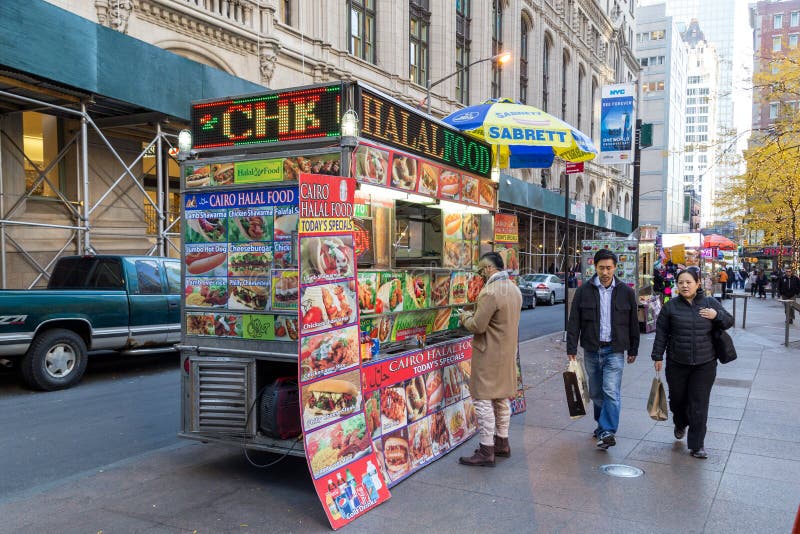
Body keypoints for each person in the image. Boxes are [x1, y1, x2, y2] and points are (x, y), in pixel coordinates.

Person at [651, 268, 733, 459]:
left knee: (699, 403)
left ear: (697, 283)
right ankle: (680, 423)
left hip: (705, 363)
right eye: (681, 283)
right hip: (677, 362)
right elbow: (661, 333)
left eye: (689, 282)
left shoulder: (710, 303)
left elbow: (729, 321)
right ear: (677, 285)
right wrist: (657, 356)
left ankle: (697, 445)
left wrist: (716, 316)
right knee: (677, 401)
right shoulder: (670, 306)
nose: (685, 285)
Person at [566, 249, 640, 450]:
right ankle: (602, 426)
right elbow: (574, 321)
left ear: (615, 268)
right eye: (601, 268)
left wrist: (634, 348)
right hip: (591, 349)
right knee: (597, 392)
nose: (605, 272)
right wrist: (571, 347)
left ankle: (608, 431)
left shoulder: (626, 292)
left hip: (615, 350)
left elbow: (633, 322)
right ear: (595, 267)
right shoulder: (584, 291)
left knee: (611, 391)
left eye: (609, 268)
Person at [458, 252, 522, 466]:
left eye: (480, 271)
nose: (479, 275)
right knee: (502, 398)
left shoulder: (490, 292)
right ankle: (502, 443)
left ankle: (487, 450)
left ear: (488, 269)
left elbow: (478, 325)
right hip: (507, 354)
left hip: (488, 355)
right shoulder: (514, 289)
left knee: (483, 400)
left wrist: (464, 316)